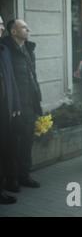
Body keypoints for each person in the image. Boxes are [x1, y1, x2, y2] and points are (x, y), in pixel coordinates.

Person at [1, 19, 43, 191]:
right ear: (14, 31)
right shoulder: (6, 50)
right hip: (13, 106)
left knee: (27, 141)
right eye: (24, 27)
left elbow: (32, 75)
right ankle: (11, 180)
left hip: (30, 103)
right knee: (13, 144)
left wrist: (37, 99)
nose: (28, 29)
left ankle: (24, 175)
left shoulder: (28, 49)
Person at [0, 42, 21, 204]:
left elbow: (11, 78)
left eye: (1, 24)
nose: (1, 27)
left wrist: (15, 104)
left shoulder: (4, 48)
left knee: (5, 148)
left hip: (4, 109)